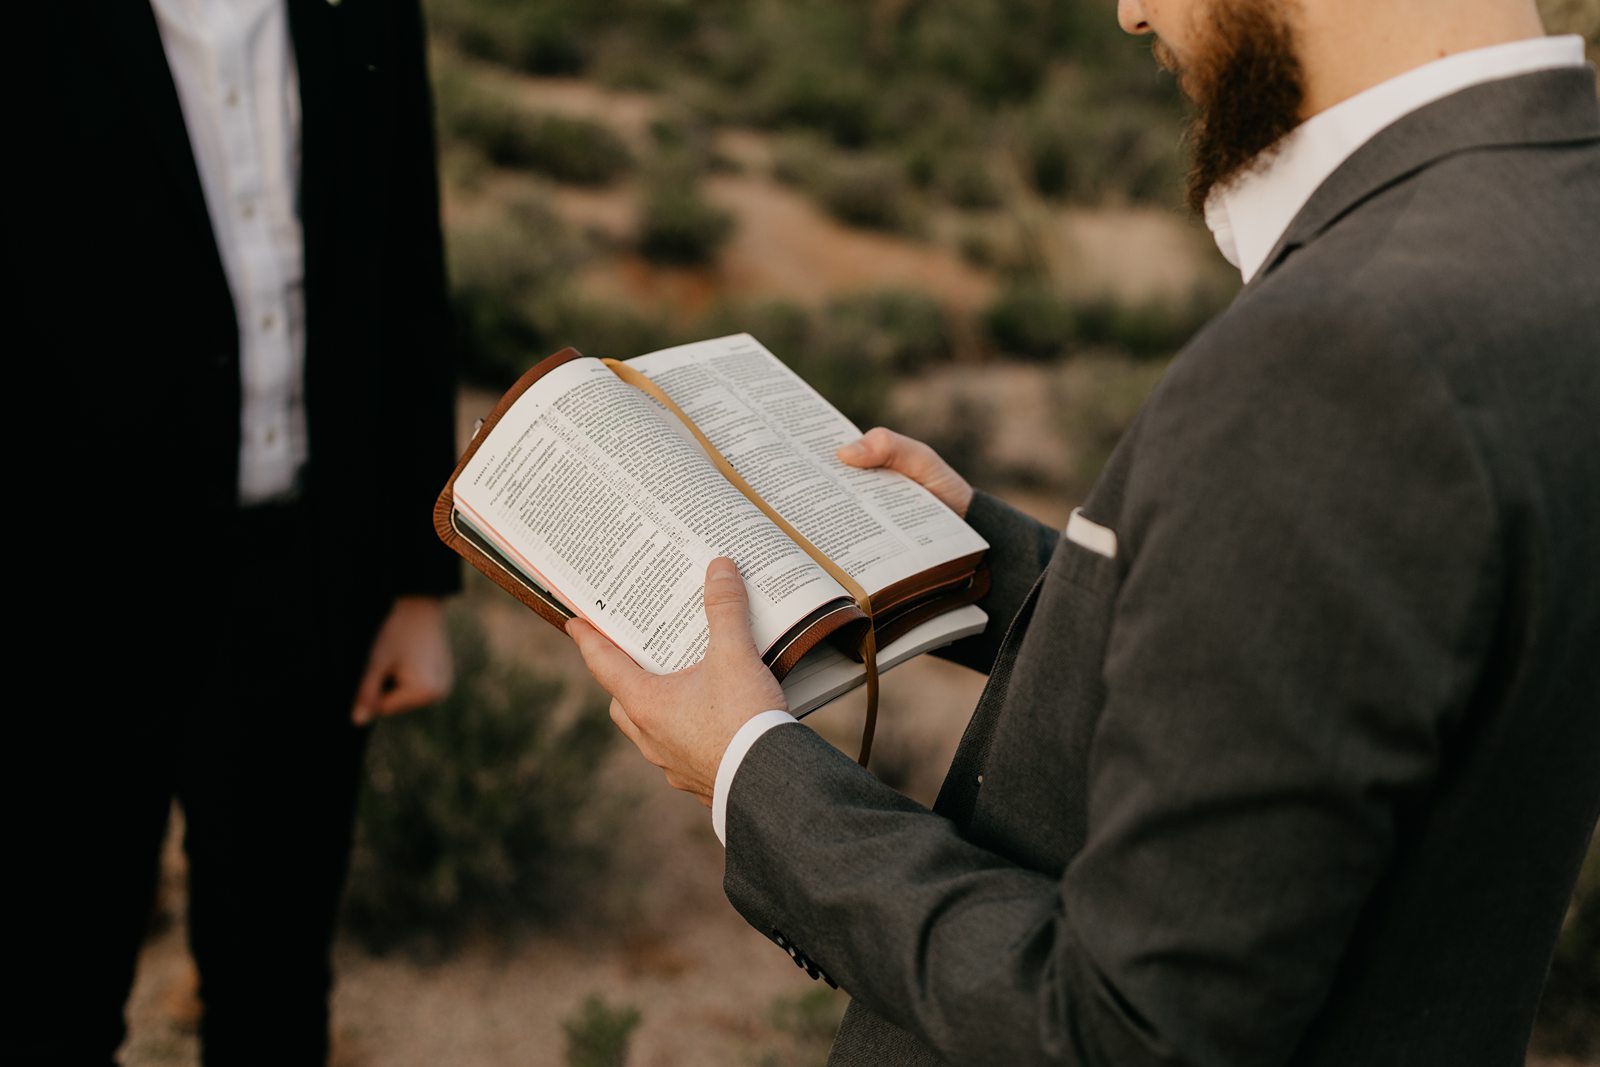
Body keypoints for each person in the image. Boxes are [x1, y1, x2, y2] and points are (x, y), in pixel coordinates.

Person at [569, 0, 1600, 1062]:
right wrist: (983, 563)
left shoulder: (1343, 346)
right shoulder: (1554, 222)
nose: (1131, 12)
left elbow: (1126, 1028)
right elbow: (1344, 669)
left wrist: (754, 772)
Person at [15, 1, 459, 1063]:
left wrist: (415, 580)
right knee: (43, 989)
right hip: (58, 595)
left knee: (275, 985)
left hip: (308, 578)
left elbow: (406, 270)